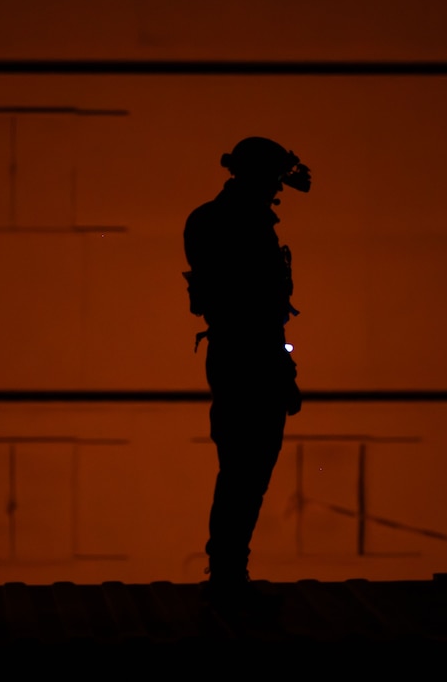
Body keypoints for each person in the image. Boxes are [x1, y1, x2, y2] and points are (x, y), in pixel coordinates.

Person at [182, 137, 310, 607]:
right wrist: (279, 370)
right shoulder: (242, 223)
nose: (278, 192)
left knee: (243, 467)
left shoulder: (213, 218)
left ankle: (229, 567)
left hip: (240, 354)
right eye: (274, 181)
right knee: (246, 468)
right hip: (248, 356)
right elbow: (256, 308)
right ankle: (229, 571)